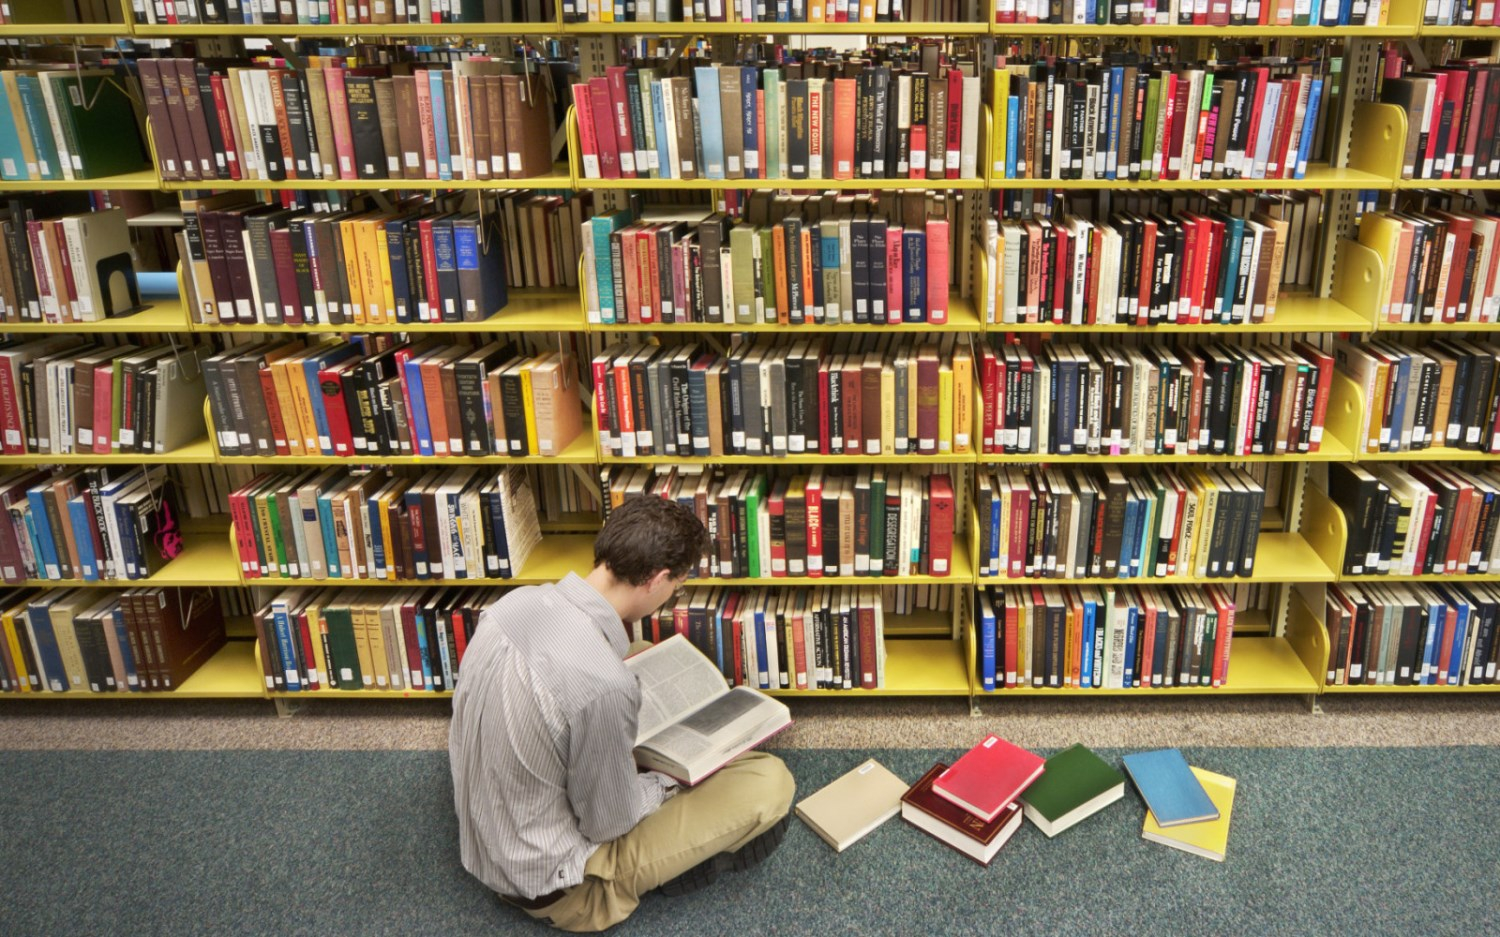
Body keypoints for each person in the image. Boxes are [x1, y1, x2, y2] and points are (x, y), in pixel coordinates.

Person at [450, 495, 796, 933]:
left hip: (489, 841)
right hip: (558, 887)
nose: (674, 596)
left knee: (639, 654)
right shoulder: (603, 686)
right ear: (656, 579)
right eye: (678, 585)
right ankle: (634, 881)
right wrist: (669, 780)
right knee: (769, 782)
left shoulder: (511, 606)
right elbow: (608, 823)